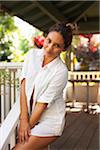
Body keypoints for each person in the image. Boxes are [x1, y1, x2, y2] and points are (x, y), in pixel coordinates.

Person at [13, 22, 73, 150]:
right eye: (49, 41)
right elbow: (23, 86)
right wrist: (23, 120)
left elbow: (42, 104)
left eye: (57, 45)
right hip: (30, 116)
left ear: (64, 49)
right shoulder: (31, 56)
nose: (49, 48)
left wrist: (27, 127)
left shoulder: (60, 71)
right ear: (45, 37)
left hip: (50, 122)